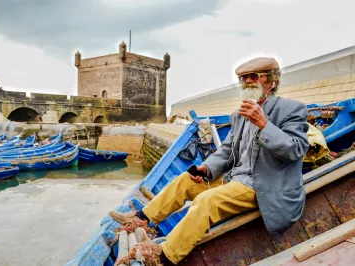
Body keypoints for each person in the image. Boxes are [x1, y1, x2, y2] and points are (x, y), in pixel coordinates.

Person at [110, 57, 309, 265]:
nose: (248, 81)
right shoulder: (239, 114)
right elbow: (227, 151)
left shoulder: (291, 109)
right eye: (243, 78)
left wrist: (264, 124)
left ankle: (164, 256)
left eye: (255, 77)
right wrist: (206, 168)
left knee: (207, 201)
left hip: (265, 186)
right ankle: (143, 219)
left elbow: (296, 150)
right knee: (184, 181)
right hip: (236, 180)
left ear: (272, 82)